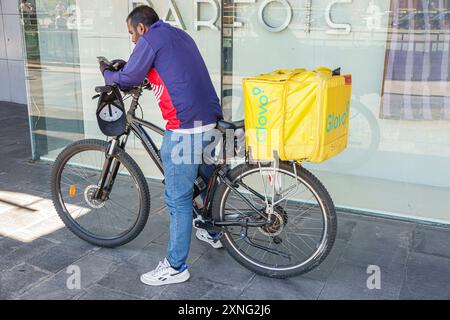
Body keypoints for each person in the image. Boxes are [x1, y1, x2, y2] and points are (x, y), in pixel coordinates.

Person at [100, 5, 224, 286]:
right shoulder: (176, 34)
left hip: (185, 129)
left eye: (132, 33)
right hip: (209, 120)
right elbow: (154, 69)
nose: (132, 40)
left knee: (177, 198)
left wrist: (108, 73)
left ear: (141, 28)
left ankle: (176, 266)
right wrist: (129, 66)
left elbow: (129, 78)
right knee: (205, 181)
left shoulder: (151, 39)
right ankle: (210, 228)